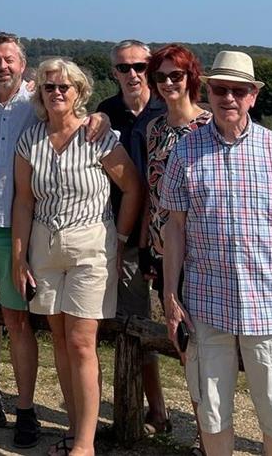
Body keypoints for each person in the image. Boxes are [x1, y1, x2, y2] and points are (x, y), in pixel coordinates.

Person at [0, 32, 108, 449]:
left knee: (18, 322)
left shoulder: (36, 103)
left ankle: (27, 408)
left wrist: (97, 119)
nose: (2, 66)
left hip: (20, 231)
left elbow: (69, 116)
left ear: (22, 63)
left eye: (10, 60)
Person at [162, 51, 272, 456]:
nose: (228, 98)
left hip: (271, 306)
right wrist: (170, 297)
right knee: (212, 414)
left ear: (252, 96)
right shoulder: (184, 151)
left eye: (238, 90)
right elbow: (174, 228)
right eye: (220, 89)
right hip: (205, 303)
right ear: (208, 92)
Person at [11, 58, 143, 456]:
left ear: (79, 92)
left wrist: (119, 239)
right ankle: (72, 429)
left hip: (91, 245)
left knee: (83, 342)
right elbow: (23, 201)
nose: (56, 93)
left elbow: (133, 188)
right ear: (40, 93)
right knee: (61, 341)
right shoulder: (29, 139)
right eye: (49, 87)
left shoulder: (98, 136)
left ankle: (85, 444)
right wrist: (20, 257)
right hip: (44, 245)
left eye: (64, 87)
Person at [140, 42, 212, 453]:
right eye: (161, 76)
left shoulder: (208, 125)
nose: (168, 83)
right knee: (185, 342)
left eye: (176, 76)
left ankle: (209, 436)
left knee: (203, 346)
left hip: (203, 252)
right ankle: (206, 431)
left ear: (191, 79)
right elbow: (154, 194)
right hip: (164, 251)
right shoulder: (154, 129)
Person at [95, 38, 167, 433]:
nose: (133, 74)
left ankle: (206, 428)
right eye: (124, 68)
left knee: (188, 333)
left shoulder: (169, 108)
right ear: (115, 73)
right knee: (135, 325)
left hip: (170, 236)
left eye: (140, 66)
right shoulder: (106, 112)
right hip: (127, 236)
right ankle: (152, 410)